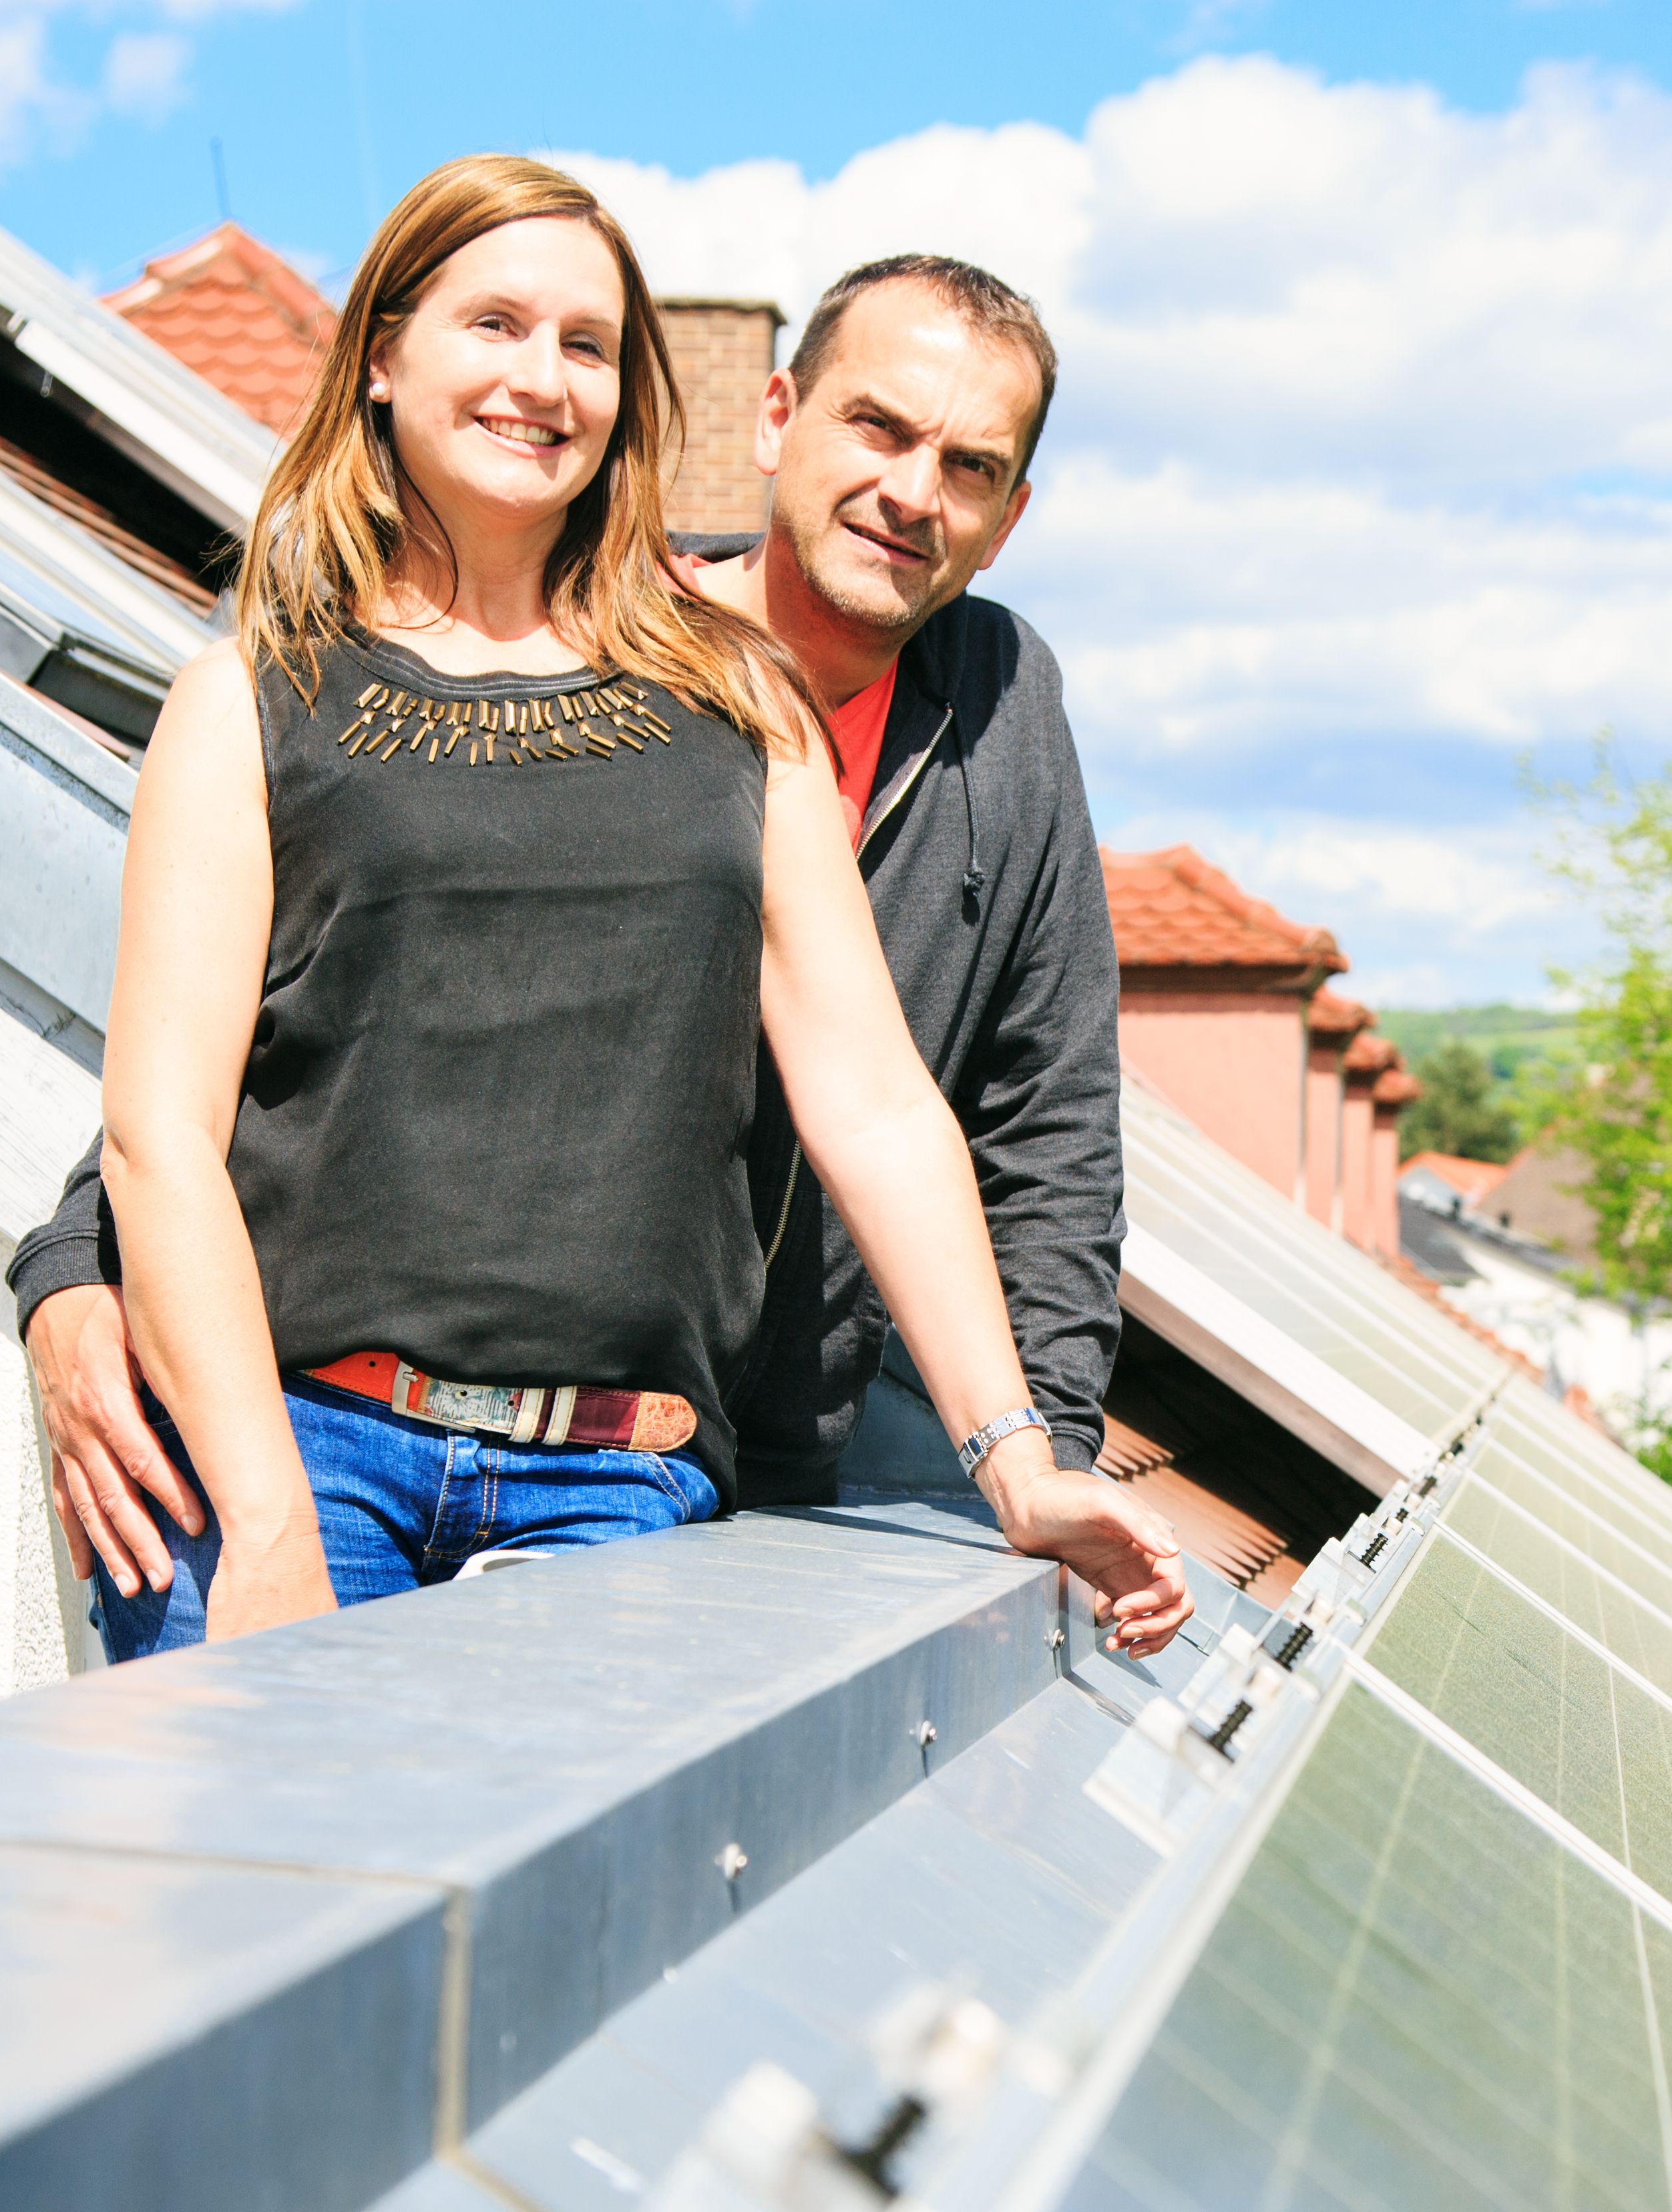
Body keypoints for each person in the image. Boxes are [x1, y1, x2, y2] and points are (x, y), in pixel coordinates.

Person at [70, 155, 1185, 1657]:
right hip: (302, 1445)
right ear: (384, 357)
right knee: (253, 1883)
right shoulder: (247, 700)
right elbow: (162, 1134)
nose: (544, 378)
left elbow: (879, 1102)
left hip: (618, 1480)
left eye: (588, 345)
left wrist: (1021, 1459)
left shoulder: (737, 703)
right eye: (496, 325)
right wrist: (261, 1516)